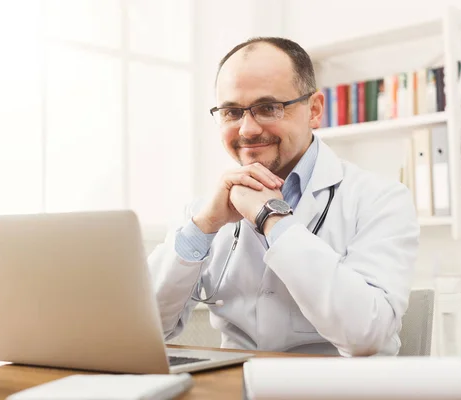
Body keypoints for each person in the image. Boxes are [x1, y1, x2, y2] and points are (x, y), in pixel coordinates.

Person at [147, 37, 420, 357]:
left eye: (267, 108)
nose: (247, 129)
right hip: (237, 385)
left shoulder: (381, 200)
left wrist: (270, 218)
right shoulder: (203, 212)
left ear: (314, 110)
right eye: (232, 112)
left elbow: (366, 335)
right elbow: (146, 329)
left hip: (340, 388)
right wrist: (204, 226)